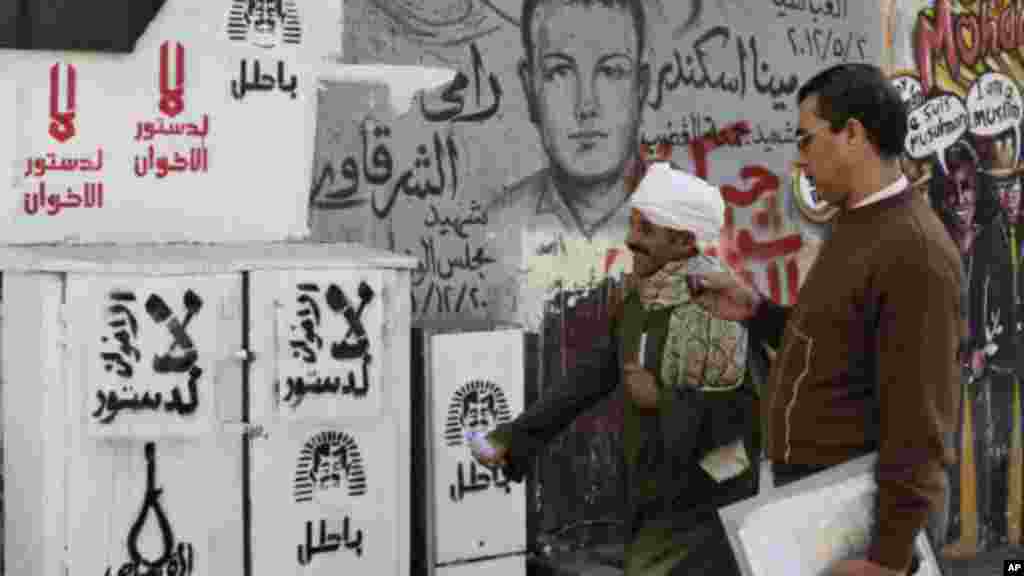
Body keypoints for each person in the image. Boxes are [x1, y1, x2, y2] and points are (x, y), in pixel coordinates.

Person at [693, 63, 961, 576]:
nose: (800, 159)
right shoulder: (860, 224)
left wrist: (887, 558)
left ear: (853, 134)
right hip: (819, 499)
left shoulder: (915, 250)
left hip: (861, 518)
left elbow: (919, 419)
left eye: (807, 140)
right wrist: (755, 311)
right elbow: (842, 340)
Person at [475, 162, 759, 575]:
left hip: (705, 509)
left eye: (645, 230)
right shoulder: (641, 301)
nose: (630, 239)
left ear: (682, 242)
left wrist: (661, 400)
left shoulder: (715, 310)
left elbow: (735, 428)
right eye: (633, 225)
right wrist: (514, 439)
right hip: (652, 501)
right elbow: (590, 377)